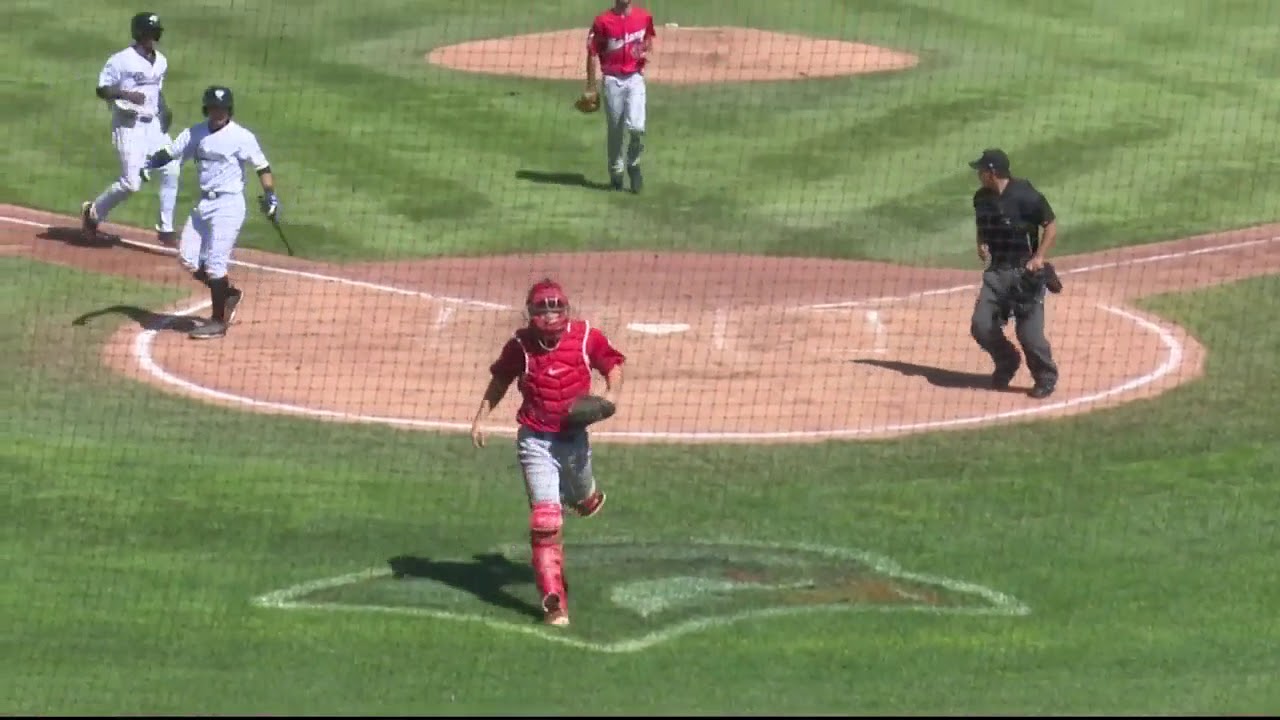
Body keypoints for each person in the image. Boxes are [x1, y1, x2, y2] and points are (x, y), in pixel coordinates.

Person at [470, 279, 626, 626]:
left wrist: (610, 398)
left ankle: (585, 497)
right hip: (535, 441)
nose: (551, 318)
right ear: (533, 316)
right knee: (545, 521)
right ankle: (553, 602)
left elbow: (613, 367)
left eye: (556, 310)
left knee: (583, 499)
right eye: (544, 311)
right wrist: (481, 418)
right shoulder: (520, 347)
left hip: (574, 440)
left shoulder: (587, 337)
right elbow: (500, 381)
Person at [141, 86, 280, 340]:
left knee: (216, 264)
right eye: (214, 108)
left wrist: (270, 194)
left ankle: (217, 322)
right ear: (207, 109)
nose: (218, 113)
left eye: (223, 109)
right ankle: (228, 294)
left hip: (229, 206)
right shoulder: (196, 133)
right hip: (204, 205)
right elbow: (170, 152)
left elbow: (262, 166)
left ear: (229, 110)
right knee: (187, 258)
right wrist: (148, 163)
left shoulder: (242, 136)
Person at [82, 11, 181, 248]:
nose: (152, 37)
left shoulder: (161, 61)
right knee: (130, 183)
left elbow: (156, 89)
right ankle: (93, 213)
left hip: (153, 124)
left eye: (155, 33)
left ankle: (166, 229)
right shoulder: (120, 60)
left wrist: (164, 108)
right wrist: (125, 93)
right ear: (138, 33)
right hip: (128, 125)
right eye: (149, 33)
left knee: (172, 167)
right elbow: (102, 89)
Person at [968, 148, 1060, 399]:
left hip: (1024, 273)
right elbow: (982, 223)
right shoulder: (981, 198)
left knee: (1029, 335)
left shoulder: (1025, 195)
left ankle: (1045, 377)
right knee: (981, 325)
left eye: (981, 171)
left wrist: (1039, 256)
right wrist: (981, 242)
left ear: (992, 172)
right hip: (996, 272)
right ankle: (1007, 360)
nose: (979, 175)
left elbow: (1050, 225)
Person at [584, 0, 656, 193]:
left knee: (636, 127)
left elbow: (648, 40)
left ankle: (634, 164)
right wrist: (591, 86)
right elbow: (592, 53)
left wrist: (642, 51)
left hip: (635, 78)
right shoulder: (602, 21)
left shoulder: (644, 17)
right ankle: (616, 173)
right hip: (612, 80)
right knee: (615, 131)